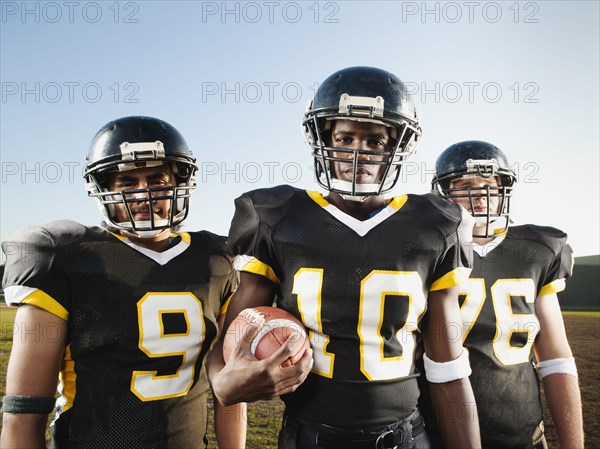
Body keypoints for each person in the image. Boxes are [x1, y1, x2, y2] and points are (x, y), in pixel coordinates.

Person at [207, 66, 481, 449]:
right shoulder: (276, 216)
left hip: (404, 435)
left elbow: (449, 368)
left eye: (375, 142)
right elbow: (232, 341)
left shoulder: (437, 225)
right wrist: (221, 380)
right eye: (344, 137)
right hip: (309, 435)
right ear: (321, 139)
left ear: (398, 147)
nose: (357, 154)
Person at [0, 116, 244, 449]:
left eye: (156, 178)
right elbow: (24, 412)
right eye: (126, 181)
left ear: (180, 181)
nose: (143, 194)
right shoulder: (68, 257)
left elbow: (228, 391)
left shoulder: (216, 260)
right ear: (104, 188)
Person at [429, 140, 584, 449]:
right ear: (444, 193)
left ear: (504, 190)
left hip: (522, 433)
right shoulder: (428, 249)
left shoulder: (537, 250)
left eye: (489, 184)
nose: (481, 194)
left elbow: (556, 358)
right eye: (465, 185)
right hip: (437, 433)